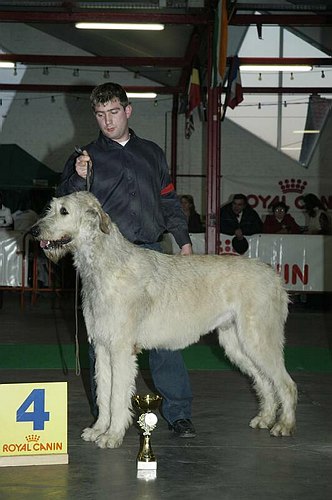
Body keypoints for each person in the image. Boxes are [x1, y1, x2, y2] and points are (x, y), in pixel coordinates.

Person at [57, 82, 196, 438]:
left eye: (114, 112)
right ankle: (104, 415)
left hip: (151, 254)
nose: (107, 121)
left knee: (163, 338)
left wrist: (182, 240)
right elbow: (65, 203)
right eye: (101, 115)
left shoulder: (152, 152)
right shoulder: (85, 156)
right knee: (102, 341)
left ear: (128, 110)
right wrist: (78, 176)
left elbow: (168, 200)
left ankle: (178, 413)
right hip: (108, 264)